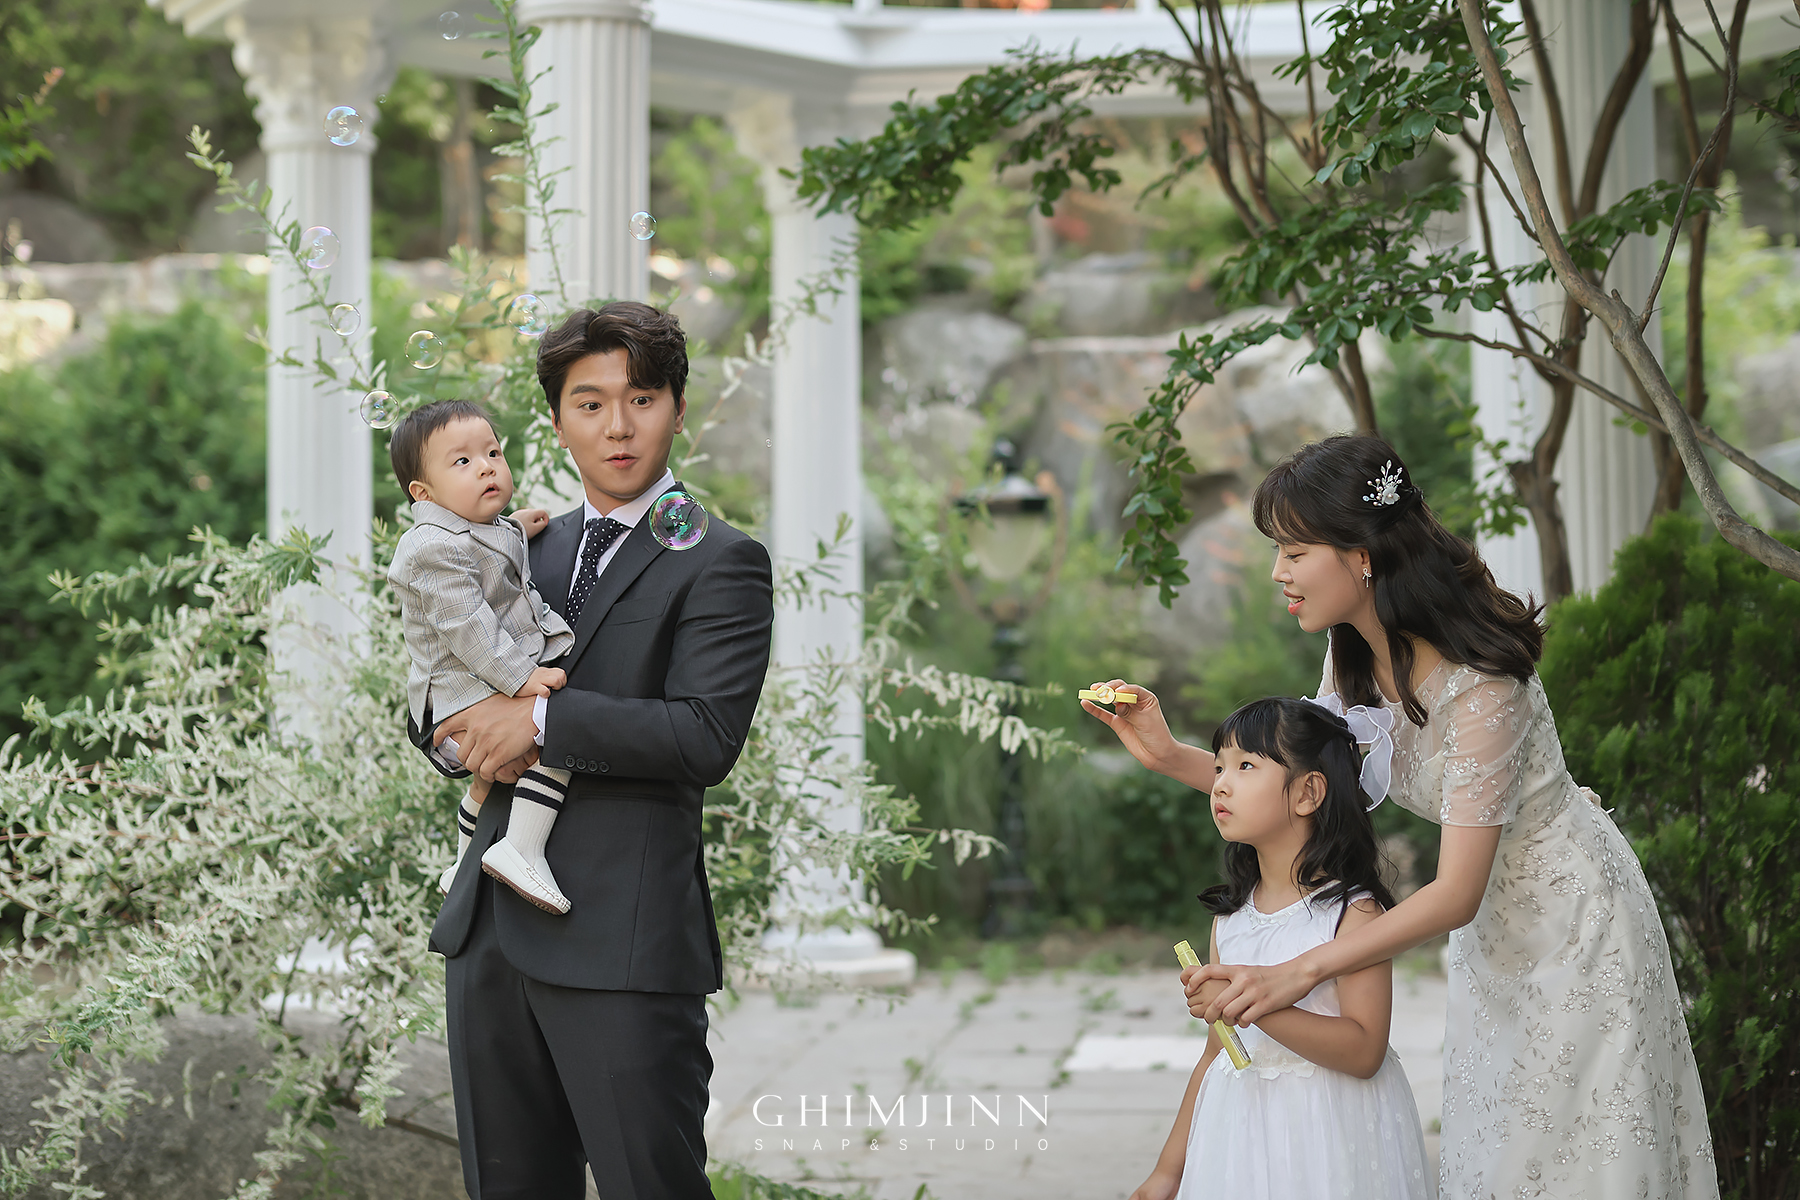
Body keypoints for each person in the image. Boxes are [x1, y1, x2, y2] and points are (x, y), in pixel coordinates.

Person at [1087, 434, 1718, 1199]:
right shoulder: (1349, 654)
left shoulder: (1483, 685)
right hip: (1491, 938)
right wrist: (1167, 755)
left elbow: (1455, 893)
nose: (1278, 571)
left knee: (1579, 1160)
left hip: (1575, 927)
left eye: (1294, 551)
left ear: (1362, 557)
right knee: (1502, 1159)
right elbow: (1305, 789)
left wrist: (1298, 972)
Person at [426, 302, 775, 1200]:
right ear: (556, 422)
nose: (617, 426)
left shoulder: (722, 561)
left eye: (642, 399)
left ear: (679, 410)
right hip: (489, 940)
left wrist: (540, 724)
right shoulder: (517, 548)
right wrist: (454, 736)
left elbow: (703, 735)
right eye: (590, 404)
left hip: (623, 947)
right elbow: (441, 680)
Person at [1128, 696, 1434, 1200]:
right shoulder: (1231, 918)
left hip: (1329, 1131)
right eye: (1219, 767)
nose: (1220, 783)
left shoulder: (1352, 914)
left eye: (1245, 766)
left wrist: (1252, 1004)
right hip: (1242, 1131)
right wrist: (1168, 1171)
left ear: (1308, 792)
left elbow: (1364, 1051)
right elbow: (1217, 1052)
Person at [387, 398, 577, 913]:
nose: (487, 466)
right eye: (463, 461)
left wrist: (517, 527)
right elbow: (468, 625)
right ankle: (522, 847)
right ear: (424, 494)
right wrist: (522, 679)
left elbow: (485, 547)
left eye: (493, 452)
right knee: (557, 733)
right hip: (459, 698)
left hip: (474, 689)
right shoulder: (430, 548)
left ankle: (463, 863)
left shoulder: (472, 530)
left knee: (488, 779)